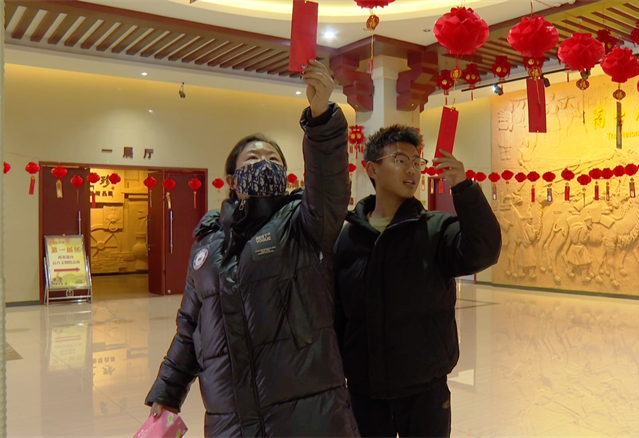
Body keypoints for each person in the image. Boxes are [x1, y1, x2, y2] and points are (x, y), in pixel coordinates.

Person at [144, 60, 359, 438]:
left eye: (274, 160)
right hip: (230, 417)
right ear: (232, 180)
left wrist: (322, 118)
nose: (265, 165)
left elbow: (328, 185)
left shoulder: (303, 225)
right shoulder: (207, 244)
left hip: (306, 414)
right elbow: (190, 327)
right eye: (254, 159)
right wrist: (168, 391)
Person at [332, 125, 502, 438]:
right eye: (400, 160)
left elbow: (484, 251)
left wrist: (464, 189)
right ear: (372, 169)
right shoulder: (348, 239)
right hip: (364, 389)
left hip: (424, 388)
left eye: (416, 162)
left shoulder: (437, 230)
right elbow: (338, 314)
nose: (412, 169)